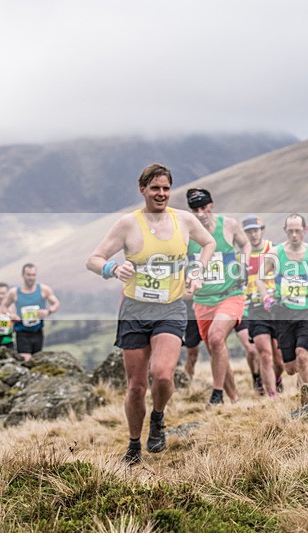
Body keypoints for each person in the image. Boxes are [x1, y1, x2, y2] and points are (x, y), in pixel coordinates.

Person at [86, 163, 215, 465]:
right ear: (142, 189)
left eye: (166, 188)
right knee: (135, 386)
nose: (161, 194)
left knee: (162, 374)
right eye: (155, 188)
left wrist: (198, 270)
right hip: (134, 309)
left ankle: (157, 417)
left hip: (170, 307)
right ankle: (133, 445)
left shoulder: (183, 220)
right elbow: (93, 259)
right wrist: (113, 268)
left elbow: (208, 242)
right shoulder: (127, 224)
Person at [186, 188, 251, 405]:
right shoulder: (187, 233)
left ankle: (216, 394)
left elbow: (246, 243)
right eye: (195, 210)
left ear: (211, 205)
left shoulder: (229, 225)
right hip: (203, 300)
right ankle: (234, 400)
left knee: (216, 338)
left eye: (204, 207)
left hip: (230, 294)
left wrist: (244, 263)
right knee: (216, 349)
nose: (201, 213)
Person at [262, 214, 308, 389]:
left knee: (303, 355)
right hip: (283, 311)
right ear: (285, 230)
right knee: (291, 368)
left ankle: (307, 401)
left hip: (307, 308)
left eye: (298, 231)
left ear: (305, 230)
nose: (294, 235)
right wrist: (268, 299)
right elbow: (259, 279)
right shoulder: (275, 254)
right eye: (291, 231)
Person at [236, 214, 285, 397]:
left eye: (256, 230)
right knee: (261, 352)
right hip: (251, 308)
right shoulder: (240, 256)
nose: (253, 235)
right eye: (249, 232)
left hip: (273, 307)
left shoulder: (274, 250)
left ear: (262, 230)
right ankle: (269, 393)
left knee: (279, 360)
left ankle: (277, 378)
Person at [2, 264, 60, 361]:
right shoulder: (14, 292)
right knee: (26, 359)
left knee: (36, 360)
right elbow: (4, 307)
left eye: (33, 275)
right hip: (22, 331)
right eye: (28, 275)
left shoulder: (43, 290)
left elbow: (56, 304)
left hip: (38, 331)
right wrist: (11, 315)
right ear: (23, 275)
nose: (31, 278)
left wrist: (48, 311)